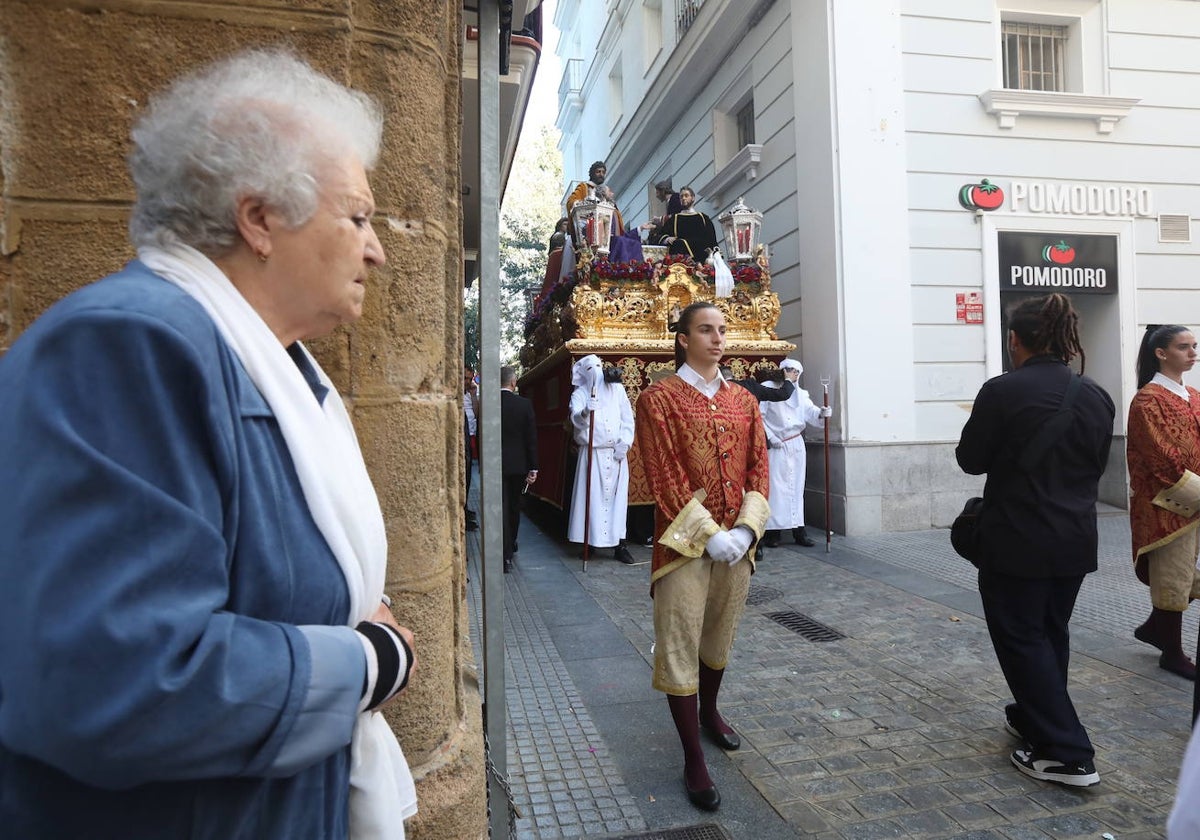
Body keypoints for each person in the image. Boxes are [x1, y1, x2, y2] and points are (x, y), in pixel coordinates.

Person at [0, 50, 418, 838]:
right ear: (258, 219)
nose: (377, 249)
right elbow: (116, 683)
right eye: (358, 217)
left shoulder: (271, 367)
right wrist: (369, 662)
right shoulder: (128, 347)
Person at [956, 293, 1114, 789]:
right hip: (1075, 537)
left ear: (1015, 340)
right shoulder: (1096, 395)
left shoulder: (1003, 390)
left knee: (1023, 638)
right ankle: (1033, 717)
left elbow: (971, 458)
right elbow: (1096, 465)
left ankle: (1067, 752)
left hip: (1016, 538)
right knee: (1049, 634)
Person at [634, 301, 770, 812]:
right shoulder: (659, 398)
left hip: (738, 544)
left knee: (718, 634)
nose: (717, 339)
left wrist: (747, 529)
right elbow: (663, 473)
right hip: (682, 546)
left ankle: (709, 712)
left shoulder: (744, 400)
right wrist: (709, 534)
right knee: (679, 642)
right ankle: (692, 755)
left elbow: (760, 466)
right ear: (684, 338)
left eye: (721, 330)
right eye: (705, 330)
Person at [1127, 324, 1200, 683]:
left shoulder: (1194, 395)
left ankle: (1157, 627)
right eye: (1183, 347)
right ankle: (1172, 651)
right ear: (1161, 352)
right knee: (1174, 574)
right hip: (1167, 503)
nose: (1192, 353)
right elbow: (1162, 458)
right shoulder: (1147, 399)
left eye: (1194, 346)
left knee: (1184, 573)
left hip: (1194, 499)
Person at [567, 355, 637, 563]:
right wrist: (587, 411)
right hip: (592, 453)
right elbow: (575, 419)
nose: (596, 372)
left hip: (615, 453)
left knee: (617, 500)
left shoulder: (617, 390)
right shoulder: (579, 394)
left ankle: (619, 545)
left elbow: (627, 419)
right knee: (591, 498)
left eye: (598, 366)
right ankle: (590, 543)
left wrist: (623, 444)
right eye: (591, 368)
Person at [760, 359, 831, 548]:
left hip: (796, 445)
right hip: (777, 446)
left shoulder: (801, 394)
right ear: (783, 371)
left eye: (797, 372)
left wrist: (822, 413)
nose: (794, 374)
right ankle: (773, 532)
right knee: (776, 488)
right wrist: (771, 437)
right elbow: (759, 416)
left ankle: (798, 530)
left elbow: (811, 413)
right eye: (791, 370)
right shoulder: (768, 388)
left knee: (796, 488)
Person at [500, 365, 538, 573]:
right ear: (513, 382)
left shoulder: (491, 404)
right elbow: (530, 438)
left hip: (495, 466)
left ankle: (503, 552)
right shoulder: (524, 405)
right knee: (514, 506)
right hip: (518, 466)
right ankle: (510, 545)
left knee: (501, 508)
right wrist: (533, 467)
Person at [653, 186, 718, 261]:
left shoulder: (703, 218)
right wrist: (667, 238)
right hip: (682, 262)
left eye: (686, 196)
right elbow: (659, 235)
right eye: (681, 196)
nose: (683, 198)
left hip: (702, 259)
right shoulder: (674, 219)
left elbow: (712, 239)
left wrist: (716, 255)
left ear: (693, 198)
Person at [464, 364, 481, 531]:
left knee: (468, 474)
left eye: (470, 378)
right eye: (465, 378)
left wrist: (474, 395)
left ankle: (465, 506)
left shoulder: (470, 394)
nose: (468, 382)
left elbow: (476, 413)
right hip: (463, 435)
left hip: (471, 435)